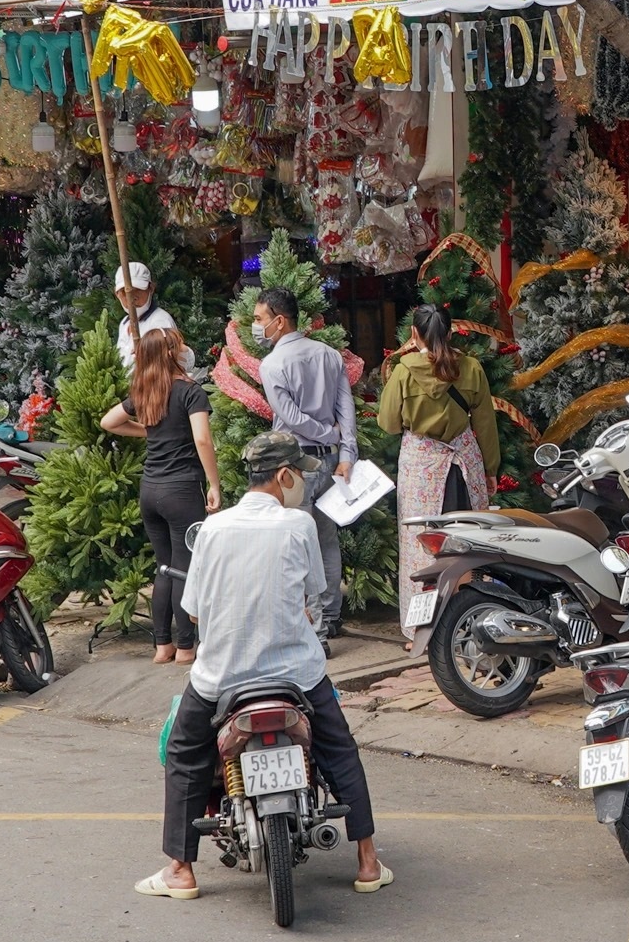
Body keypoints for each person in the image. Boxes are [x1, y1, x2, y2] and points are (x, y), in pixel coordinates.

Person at [139, 433, 389, 899]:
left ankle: (180, 869)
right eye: (300, 474)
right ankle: (368, 861)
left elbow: (192, 610)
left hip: (221, 678)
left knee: (185, 756)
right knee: (339, 750)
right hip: (296, 675)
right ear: (283, 476)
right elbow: (315, 593)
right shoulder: (299, 526)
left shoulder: (212, 530)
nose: (303, 483)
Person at [379, 305, 500, 646]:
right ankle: (472, 620)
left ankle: (422, 629)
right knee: (470, 545)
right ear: (450, 333)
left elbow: (387, 423)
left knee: (421, 548)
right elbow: (486, 424)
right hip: (463, 466)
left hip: (422, 469)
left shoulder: (404, 371)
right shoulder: (472, 368)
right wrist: (490, 470)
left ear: (413, 335)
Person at [102, 325, 220, 664]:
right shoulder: (191, 392)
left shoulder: (143, 390)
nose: (185, 349)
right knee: (186, 568)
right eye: (180, 345)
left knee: (164, 566)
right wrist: (214, 484)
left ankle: (162, 646)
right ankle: (186, 648)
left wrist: (148, 433)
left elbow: (108, 421)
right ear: (172, 353)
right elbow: (202, 440)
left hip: (150, 490)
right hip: (182, 490)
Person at [254, 285, 357, 638]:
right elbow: (347, 410)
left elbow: (291, 418)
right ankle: (329, 615)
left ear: (279, 321)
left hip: (295, 466)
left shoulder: (272, 365)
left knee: (300, 544)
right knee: (326, 541)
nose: (256, 326)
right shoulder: (330, 355)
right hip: (330, 464)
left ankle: (316, 629)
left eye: (259, 319)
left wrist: (328, 436)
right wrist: (345, 452)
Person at [112, 262, 187, 373]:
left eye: (137, 289)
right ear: (117, 294)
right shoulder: (124, 323)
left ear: (150, 288)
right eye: (124, 292)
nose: (132, 297)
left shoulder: (161, 322)